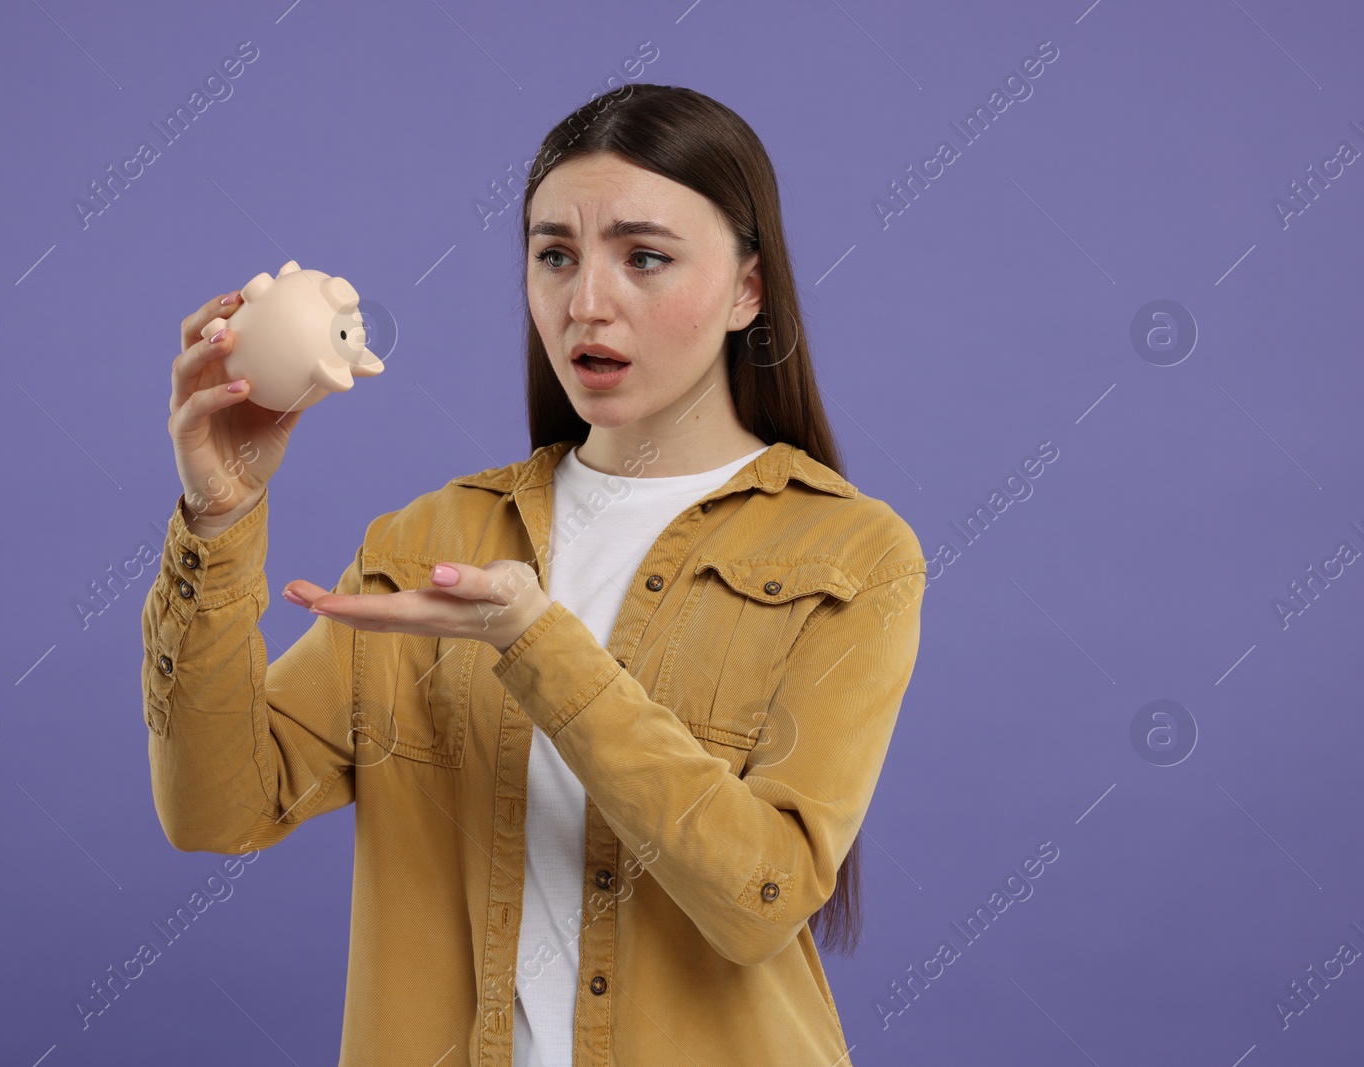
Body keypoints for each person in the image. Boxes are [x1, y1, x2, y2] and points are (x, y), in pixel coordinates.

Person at [145, 83, 926, 1067]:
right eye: (554, 253)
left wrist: (534, 641)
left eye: (645, 257)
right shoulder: (433, 534)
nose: (585, 301)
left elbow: (760, 895)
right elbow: (218, 808)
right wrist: (220, 519)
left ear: (747, 290)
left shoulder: (851, 555)